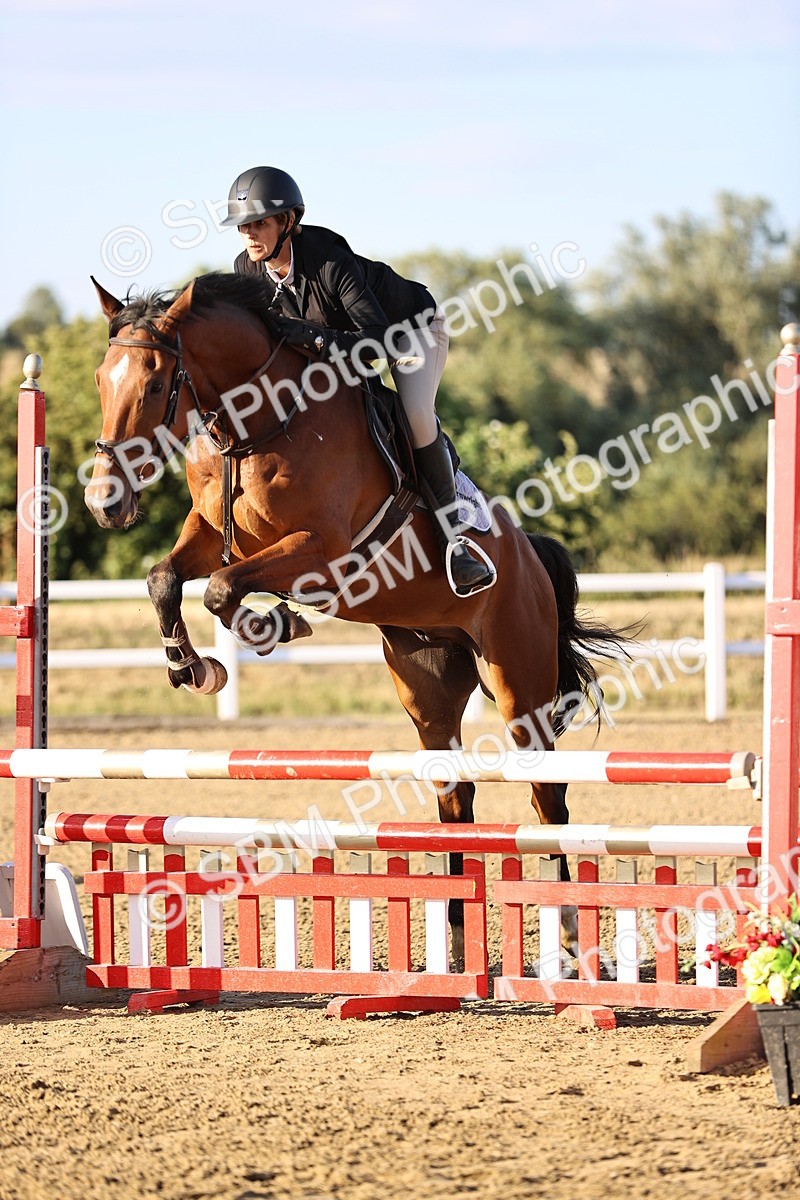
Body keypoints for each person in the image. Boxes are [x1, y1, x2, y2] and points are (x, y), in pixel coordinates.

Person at [220, 165, 496, 597]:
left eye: (259, 223)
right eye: (243, 227)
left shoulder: (329, 260)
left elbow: (378, 342)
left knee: (414, 413)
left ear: (288, 222)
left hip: (411, 330)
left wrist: (309, 335)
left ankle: (455, 542)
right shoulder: (248, 271)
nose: (249, 235)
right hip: (338, 349)